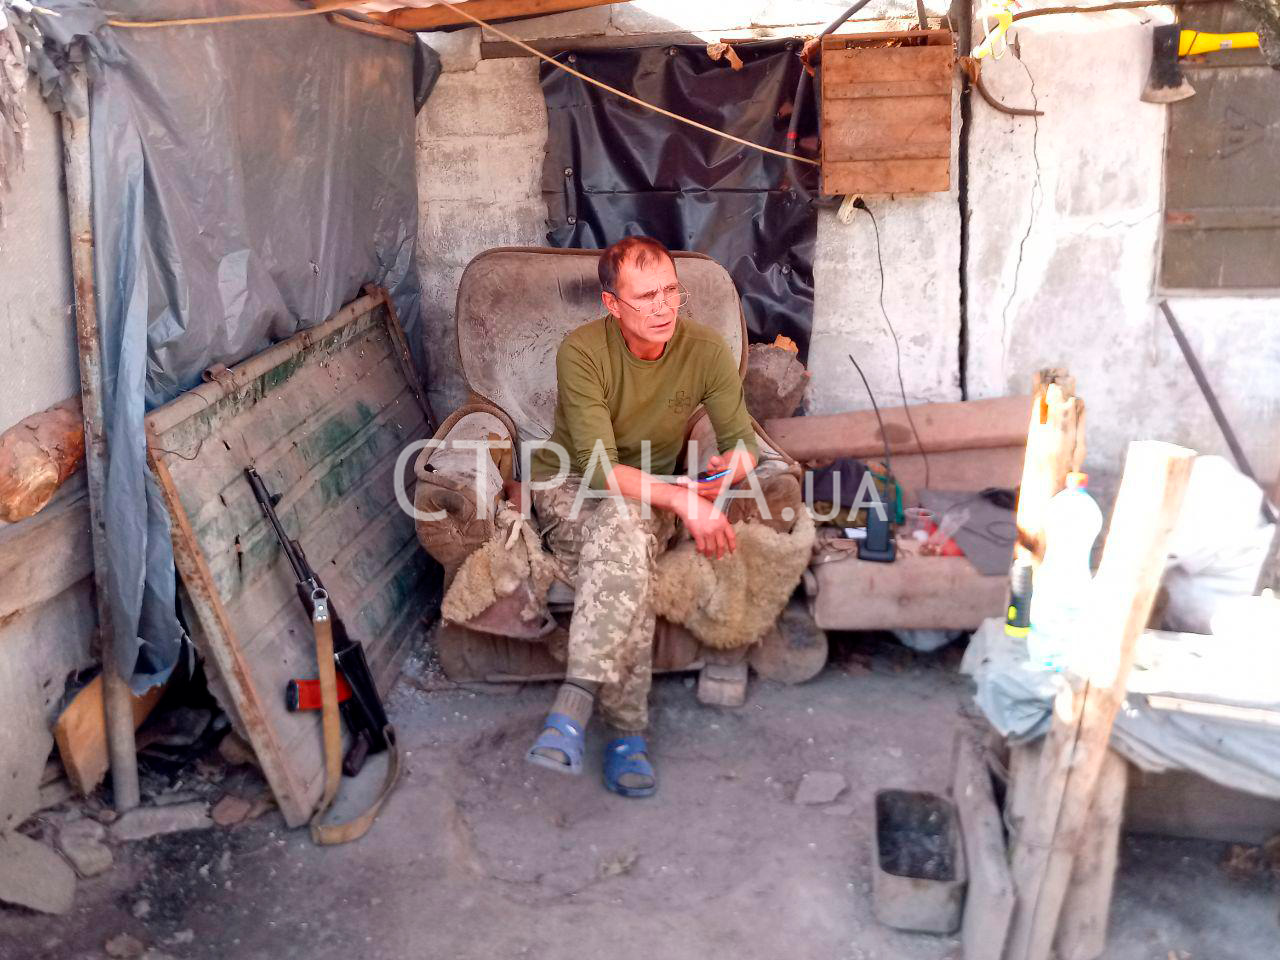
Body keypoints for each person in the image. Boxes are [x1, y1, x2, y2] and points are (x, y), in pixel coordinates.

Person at [524, 236, 759, 798]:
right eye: (646, 296)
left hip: (647, 494)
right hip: (570, 486)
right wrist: (684, 501)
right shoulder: (582, 351)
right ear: (612, 304)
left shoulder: (705, 349)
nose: (663, 308)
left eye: (671, 292)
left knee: (625, 533)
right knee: (627, 545)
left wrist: (728, 469)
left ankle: (573, 707)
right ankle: (627, 736)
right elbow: (600, 468)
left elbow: (744, 442)